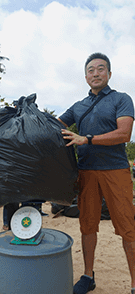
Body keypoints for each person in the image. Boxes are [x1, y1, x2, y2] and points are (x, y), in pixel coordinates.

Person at [56, 52, 135, 294]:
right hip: (87, 173)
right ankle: (88, 276)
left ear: (109, 74)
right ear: (86, 76)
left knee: (128, 228)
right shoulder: (78, 106)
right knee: (87, 226)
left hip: (116, 171)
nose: (96, 73)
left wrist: (87, 138)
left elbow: (124, 134)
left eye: (101, 69)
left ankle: (134, 283)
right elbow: (55, 125)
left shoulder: (121, 99)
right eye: (91, 70)